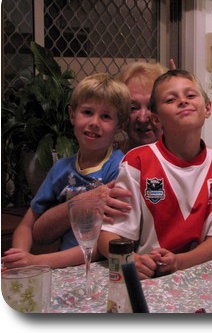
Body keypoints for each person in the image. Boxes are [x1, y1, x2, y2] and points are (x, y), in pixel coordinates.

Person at [97, 69, 212, 279]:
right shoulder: (136, 162)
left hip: (201, 276)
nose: (183, 101)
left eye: (190, 95)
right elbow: (109, 236)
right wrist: (131, 261)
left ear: (207, 108)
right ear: (156, 119)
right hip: (148, 277)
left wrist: (179, 262)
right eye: (171, 99)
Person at [30, 61, 172, 247]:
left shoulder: (177, 164)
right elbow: (38, 231)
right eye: (133, 108)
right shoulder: (100, 156)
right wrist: (85, 201)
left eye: (152, 107)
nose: (143, 117)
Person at [2, 73, 131, 268]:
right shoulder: (60, 169)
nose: (94, 122)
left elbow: (103, 246)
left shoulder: (119, 167)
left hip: (102, 268)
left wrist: (38, 261)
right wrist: (20, 257)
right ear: (72, 115)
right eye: (87, 112)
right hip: (62, 267)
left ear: (120, 125)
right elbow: (28, 225)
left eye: (106, 116)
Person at [115, 61, 168, 152]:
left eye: (151, 107)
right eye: (133, 108)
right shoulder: (110, 160)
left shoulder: (185, 160)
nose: (142, 119)